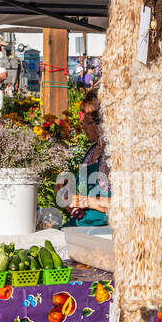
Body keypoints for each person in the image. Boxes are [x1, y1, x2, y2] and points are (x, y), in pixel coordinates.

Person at [64, 87, 110, 228]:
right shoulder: (91, 151)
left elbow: (123, 205)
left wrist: (85, 201)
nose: (83, 125)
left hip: (103, 230)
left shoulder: (112, 156)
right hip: (82, 223)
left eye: (89, 122)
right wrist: (67, 197)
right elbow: (81, 194)